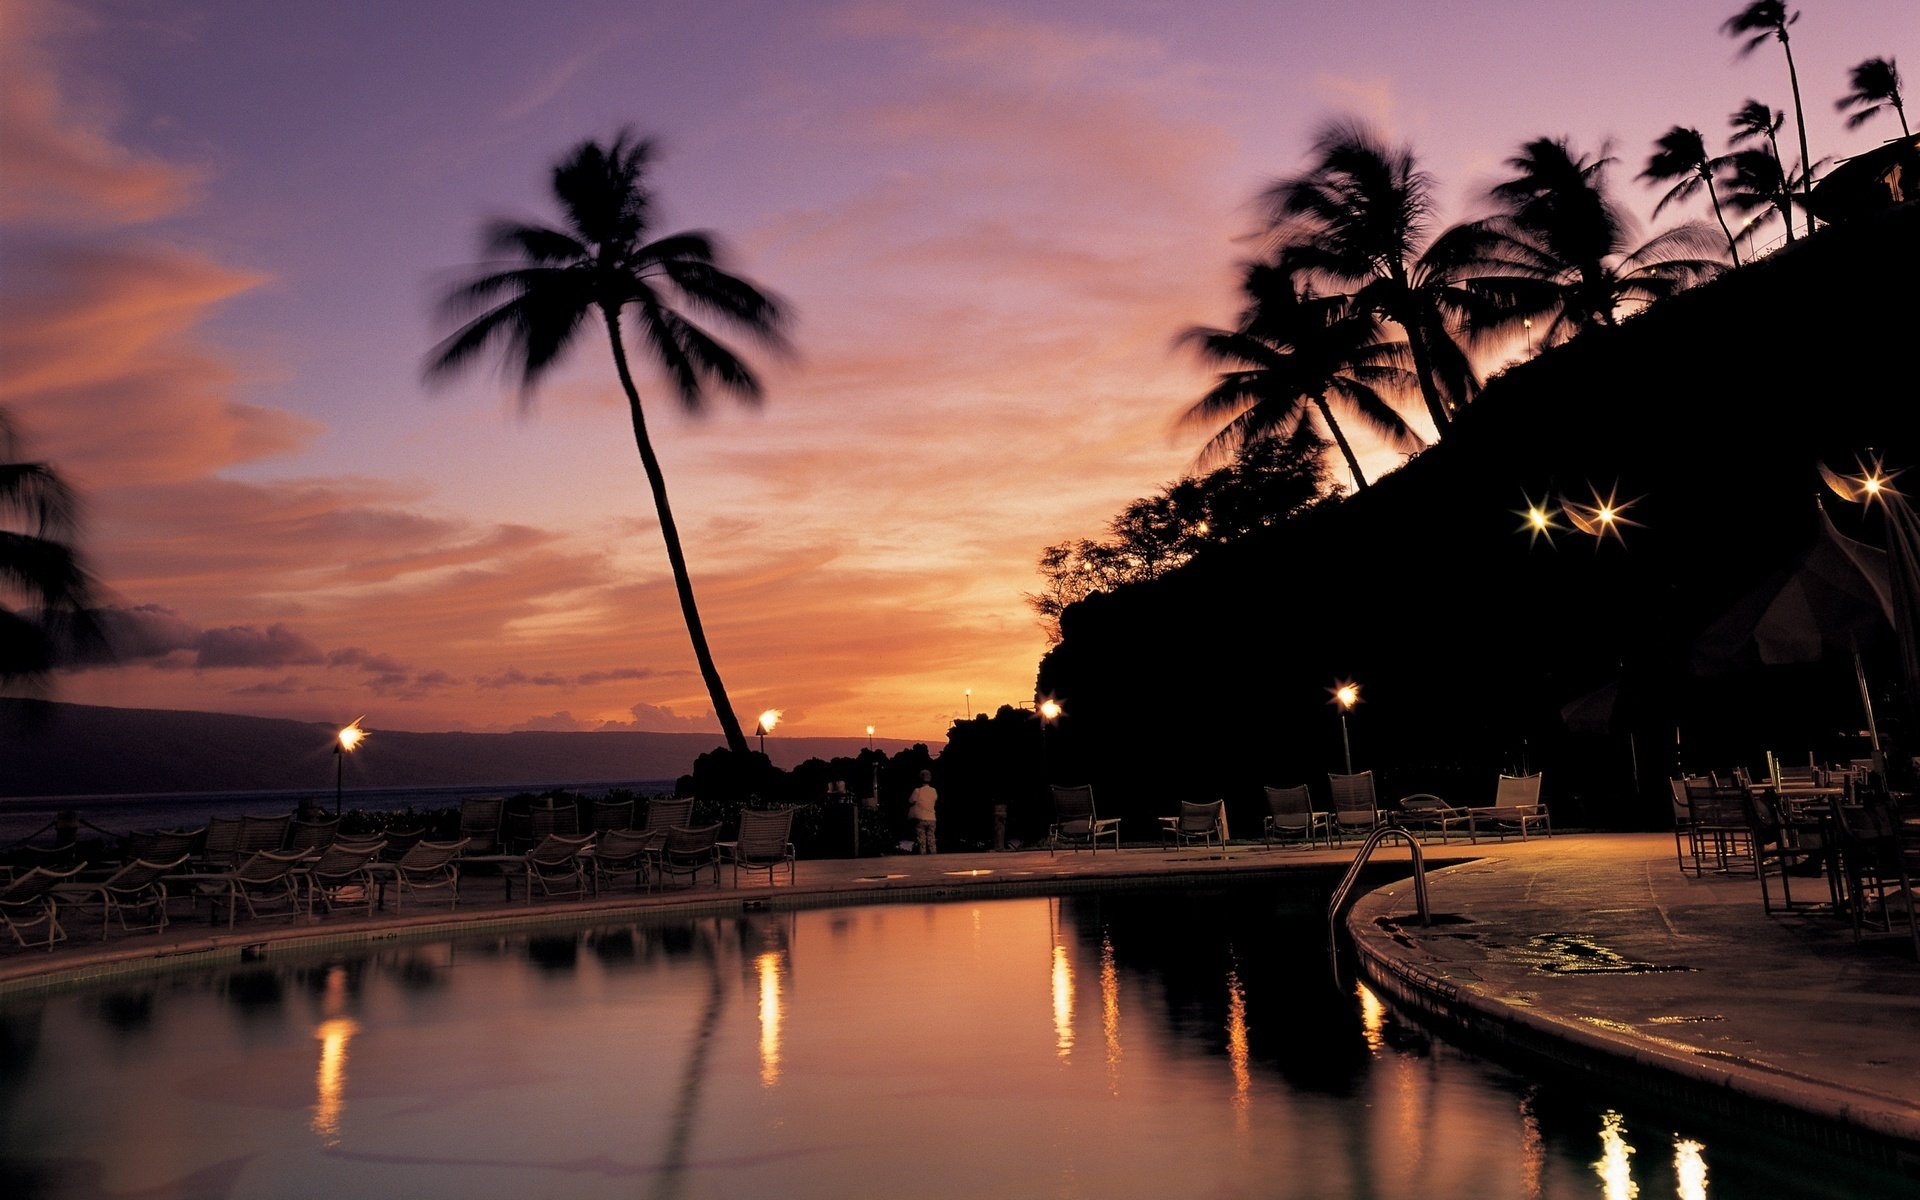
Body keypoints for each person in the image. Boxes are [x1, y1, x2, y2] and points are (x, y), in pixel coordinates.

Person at [908, 769, 938, 854]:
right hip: (932, 818)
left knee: (922, 840)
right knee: (931, 838)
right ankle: (933, 855)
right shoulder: (933, 791)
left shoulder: (917, 791)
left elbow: (910, 801)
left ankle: (923, 857)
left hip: (920, 818)